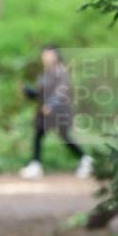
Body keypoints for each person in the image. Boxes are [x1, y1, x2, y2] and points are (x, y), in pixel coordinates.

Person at [19, 45, 93, 179]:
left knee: (65, 137)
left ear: (56, 56)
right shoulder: (44, 74)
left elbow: (62, 91)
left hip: (59, 111)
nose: (46, 57)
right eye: (44, 54)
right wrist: (29, 92)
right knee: (38, 134)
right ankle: (35, 164)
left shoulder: (61, 72)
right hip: (45, 111)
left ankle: (85, 160)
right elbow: (40, 94)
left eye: (49, 54)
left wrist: (51, 105)